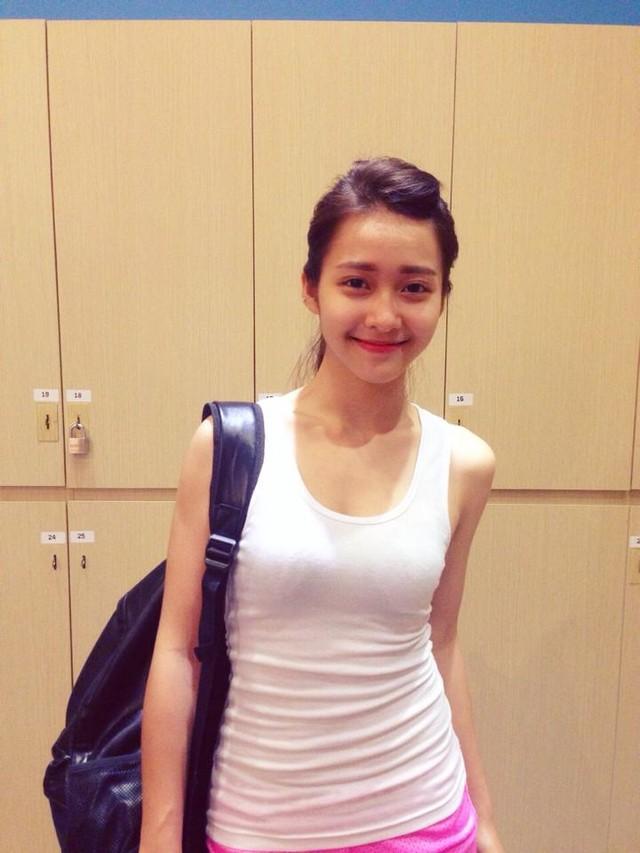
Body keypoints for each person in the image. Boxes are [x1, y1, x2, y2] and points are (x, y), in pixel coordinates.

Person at [140, 157, 505, 853]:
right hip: (257, 828)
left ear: (442, 297)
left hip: (426, 820)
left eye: (415, 287)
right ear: (311, 288)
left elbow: (441, 641)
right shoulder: (228, 447)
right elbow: (177, 651)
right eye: (356, 282)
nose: (385, 315)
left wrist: (483, 818)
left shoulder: (463, 463)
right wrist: (159, 835)